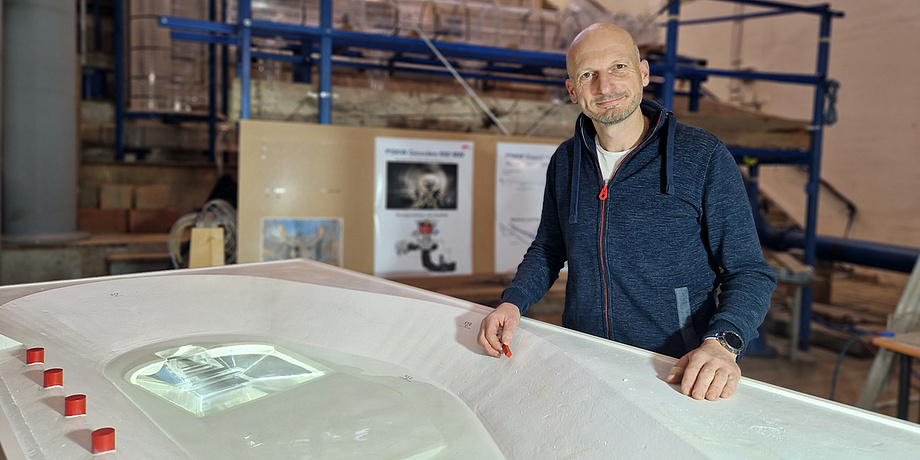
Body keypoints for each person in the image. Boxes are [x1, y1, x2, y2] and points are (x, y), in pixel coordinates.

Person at [477, 23, 776, 401]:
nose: (605, 87)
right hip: (586, 360)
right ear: (573, 90)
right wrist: (512, 301)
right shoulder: (566, 162)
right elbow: (549, 249)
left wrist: (722, 344)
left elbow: (749, 272)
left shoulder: (701, 156)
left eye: (618, 67)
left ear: (644, 73)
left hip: (674, 370)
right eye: (588, 75)